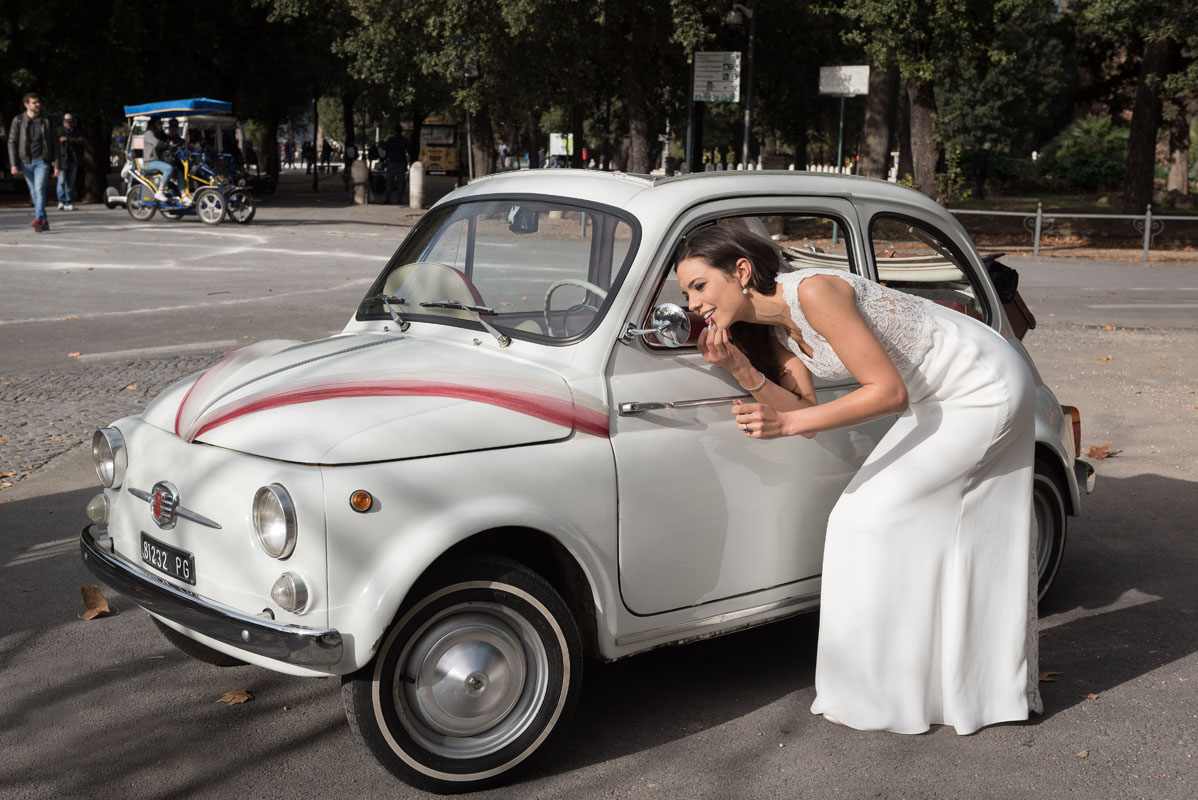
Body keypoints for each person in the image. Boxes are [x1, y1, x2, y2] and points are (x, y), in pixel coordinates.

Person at [674, 224, 1040, 735]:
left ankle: (907, 687)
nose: (692, 303)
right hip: (932, 398)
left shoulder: (812, 291)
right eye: (685, 293)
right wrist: (739, 367)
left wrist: (788, 422)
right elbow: (802, 412)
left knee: (870, 518)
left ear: (740, 271)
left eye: (698, 286)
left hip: (980, 382)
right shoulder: (771, 334)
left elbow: (886, 393)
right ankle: (904, 685)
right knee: (859, 521)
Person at [7, 92, 59, 232]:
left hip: (42, 161)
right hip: (26, 162)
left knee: (39, 189)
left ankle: (37, 218)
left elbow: (55, 143)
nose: (38, 105)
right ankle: (44, 222)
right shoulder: (18, 120)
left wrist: (57, 164)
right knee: (34, 192)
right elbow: (12, 142)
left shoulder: (47, 120)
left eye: (38, 102)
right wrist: (13, 164)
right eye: (34, 102)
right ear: (26, 105)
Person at [141, 118, 186, 203]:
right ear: (154, 124)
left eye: (162, 123)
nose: (161, 125)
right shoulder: (149, 133)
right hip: (149, 162)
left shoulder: (159, 134)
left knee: (178, 171)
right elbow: (157, 143)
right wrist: (169, 145)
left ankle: (184, 195)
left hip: (157, 162)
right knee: (169, 168)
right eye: (159, 123)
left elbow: (169, 139)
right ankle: (160, 191)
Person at [55, 112, 84, 210]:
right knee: (61, 181)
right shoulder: (58, 131)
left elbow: (81, 140)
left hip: (73, 158)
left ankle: (68, 201)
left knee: (70, 182)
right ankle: (61, 201)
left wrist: (67, 139)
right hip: (61, 159)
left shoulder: (76, 131)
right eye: (68, 122)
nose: (69, 124)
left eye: (71, 122)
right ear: (63, 121)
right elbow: (54, 145)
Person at [382, 125, 409, 205]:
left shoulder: (391, 140)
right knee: (400, 182)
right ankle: (399, 199)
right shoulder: (404, 140)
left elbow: (385, 148)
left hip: (392, 162)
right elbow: (409, 149)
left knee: (389, 181)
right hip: (401, 163)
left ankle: (388, 198)